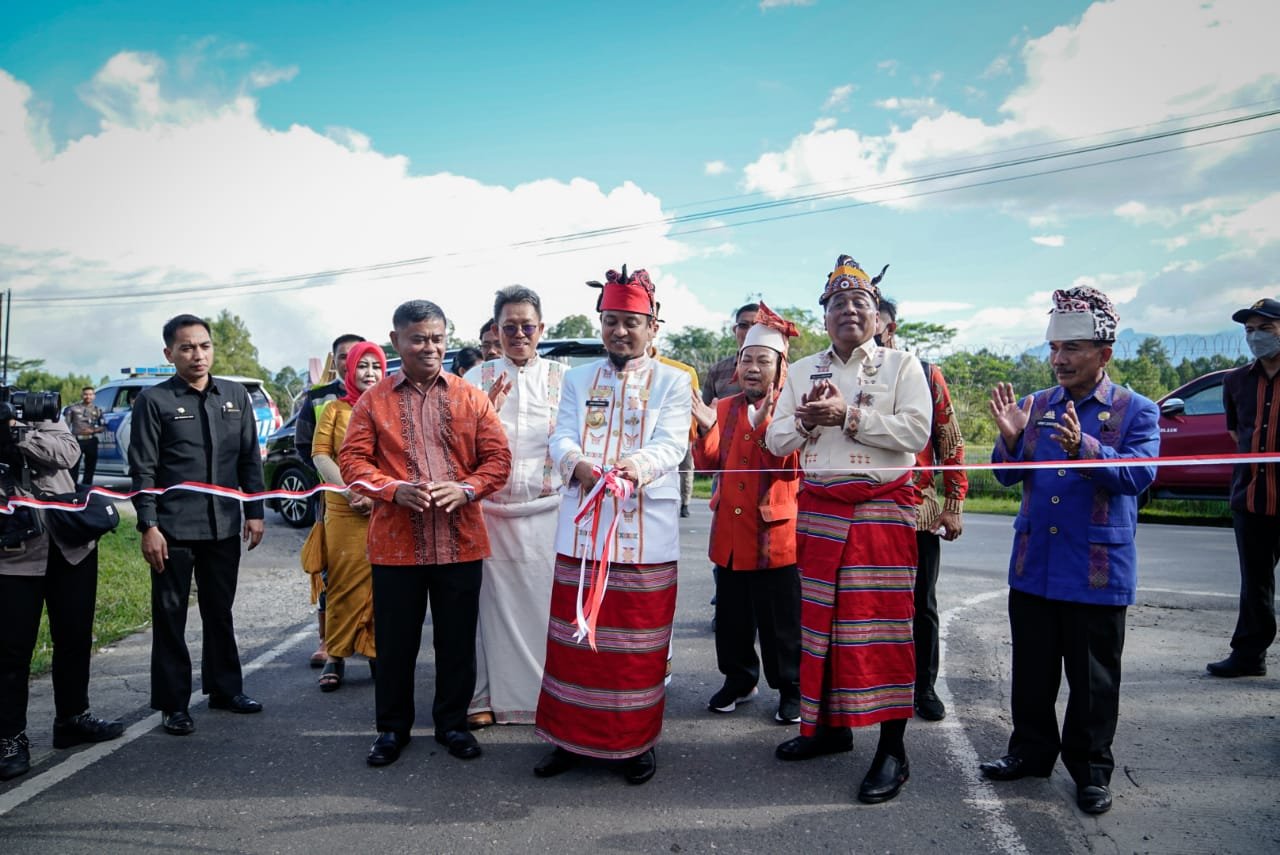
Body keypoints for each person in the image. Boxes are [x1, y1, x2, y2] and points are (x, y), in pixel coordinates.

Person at [981, 286, 1159, 816]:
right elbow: (1003, 477)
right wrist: (1011, 441)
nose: (1059, 360)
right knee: (1032, 672)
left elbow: (1140, 474)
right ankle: (1031, 753)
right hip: (1035, 566)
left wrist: (1087, 446)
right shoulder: (1034, 405)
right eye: (1054, 350)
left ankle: (1091, 770)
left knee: (1093, 680)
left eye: (1073, 349)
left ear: (1104, 354)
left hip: (1096, 570)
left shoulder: (1136, 410)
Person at [765, 255, 930, 805]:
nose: (849, 311)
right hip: (818, 508)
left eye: (861, 303)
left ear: (880, 316)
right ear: (825, 316)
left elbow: (915, 430)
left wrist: (850, 419)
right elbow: (775, 440)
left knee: (880, 632)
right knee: (821, 628)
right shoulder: (801, 369)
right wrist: (807, 421)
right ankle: (828, 730)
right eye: (838, 303)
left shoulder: (904, 366)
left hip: (880, 509)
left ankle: (892, 751)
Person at [532, 265, 690, 786]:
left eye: (630, 322)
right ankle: (566, 739)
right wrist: (577, 464)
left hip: (645, 537)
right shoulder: (577, 379)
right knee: (573, 647)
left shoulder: (674, 380)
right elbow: (561, 437)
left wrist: (633, 470)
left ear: (652, 327)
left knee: (634, 653)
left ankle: (633, 743)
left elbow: (672, 443)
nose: (619, 332)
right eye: (610, 322)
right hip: (581, 534)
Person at [339, 300, 511, 767]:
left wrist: (467, 488)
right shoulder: (373, 402)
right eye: (419, 338)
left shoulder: (470, 396)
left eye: (437, 338)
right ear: (397, 342)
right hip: (396, 545)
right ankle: (392, 730)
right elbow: (351, 463)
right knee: (396, 645)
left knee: (456, 642)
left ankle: (452, 725)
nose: (430, 347)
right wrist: (393, 490)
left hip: (461, 541)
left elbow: (498, 460)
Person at [129, 314, 268, 737]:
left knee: (219, 611)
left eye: (204, 346)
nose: (197, 355)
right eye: (187, 347)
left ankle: (225, 689)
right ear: (169, 353)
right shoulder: (154, 401)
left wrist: (255, 510)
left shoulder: (235, 396)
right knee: (171, 615)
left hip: (223, 524)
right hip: (173, 528)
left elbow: (249, 458)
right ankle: (173, 704)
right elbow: (143, 469)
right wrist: (148, 526)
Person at [691, 302, 802, 724]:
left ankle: (790, 686)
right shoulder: (724, 406)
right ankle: (738, 679)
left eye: (763, 360)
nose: (753, 368)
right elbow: (709, 465)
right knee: (732, 618)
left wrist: (761, 423)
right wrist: (704, 430)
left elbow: (786, 466)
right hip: (730, 530)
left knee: (780, 623)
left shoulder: (789, 409)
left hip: (774, 532)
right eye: (747, 359)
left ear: (780, 366)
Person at [464, 286, 566, 727]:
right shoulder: (472, 382)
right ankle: (485, 697)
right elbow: (455, 448)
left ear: (542, 329)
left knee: (548, 607)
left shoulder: (567, 379)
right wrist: (482, 414)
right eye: (510, 327)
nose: (519, 334)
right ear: (496, 330)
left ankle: (554, 695)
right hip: (491, 513)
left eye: (528, 326)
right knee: (485, 610)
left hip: (550, 511)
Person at [0, 417, 124, 781]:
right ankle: (10, 738)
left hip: (71, 546)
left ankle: (72, 718)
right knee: (10, 651)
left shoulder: (35, 411)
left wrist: (18, 433)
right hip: (13, 555)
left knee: (74, 637)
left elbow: (67, 453)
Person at [876, 297, 967, 721]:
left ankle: (922, 687)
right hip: (863, 513)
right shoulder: (834, 372)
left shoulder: (925, 374)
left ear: (890, 328)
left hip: (918, 512)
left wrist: (954, 504)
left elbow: (949, 438)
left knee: (920, 603)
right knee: (866, 605)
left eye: (873, 316)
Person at [1207, 297, 1280, 678]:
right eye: (1250, 330)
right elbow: (1239, 432)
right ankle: (1249, 655)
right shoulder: (1235, 380)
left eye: (1265, 328)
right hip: (1250, 496)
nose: (1256, 337)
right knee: (1255, 584)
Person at [312, 341, 386, 692]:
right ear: (349, 370)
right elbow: (321, 455)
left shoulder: (390, 408)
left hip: (384, 506)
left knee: (379, 585)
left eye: (376, 366)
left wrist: (377, 495)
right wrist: (351, 489)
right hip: (343, 506)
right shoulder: (334, 410)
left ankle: (375, 652)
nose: (369, 373)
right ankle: (335, 656)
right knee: (341, 581)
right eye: (363, 366)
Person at [296, 333, 366, 668]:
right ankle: (330, 648)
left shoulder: (385, 398)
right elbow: (307, 448)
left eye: (361, 357)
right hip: (333, 502)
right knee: (333, 575)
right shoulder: (321, 399)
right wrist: (338, 485)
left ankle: (372, 649)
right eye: (343, 356)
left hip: (378, 504)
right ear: (335, 359)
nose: (351, 363)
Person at [651, 341, 699, 518]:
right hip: (652, 434)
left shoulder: (682, 372)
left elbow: (694, 407)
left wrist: (692, 435)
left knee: (685, 470)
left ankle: (685, 503)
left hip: (683, 433)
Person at [702, 303, 759, 404]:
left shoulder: (782, 371)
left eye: (757, 326)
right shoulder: (717, 371)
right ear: (734, 330)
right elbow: (705, 412)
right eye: (743, 325)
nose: (750, 331)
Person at [65, 386, 104, 486]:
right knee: (73, 465)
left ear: (94, 396)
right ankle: (72, 487)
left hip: (91, 441)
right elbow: (66, 426)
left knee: (90, 466)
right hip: (77, 441)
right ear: (82, 395)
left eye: (90, 394)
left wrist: (92, 430)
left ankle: (86, 487)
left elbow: (103, 427)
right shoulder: (73, 409)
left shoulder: (98, 410)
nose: (88, 396)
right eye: (86, 394)